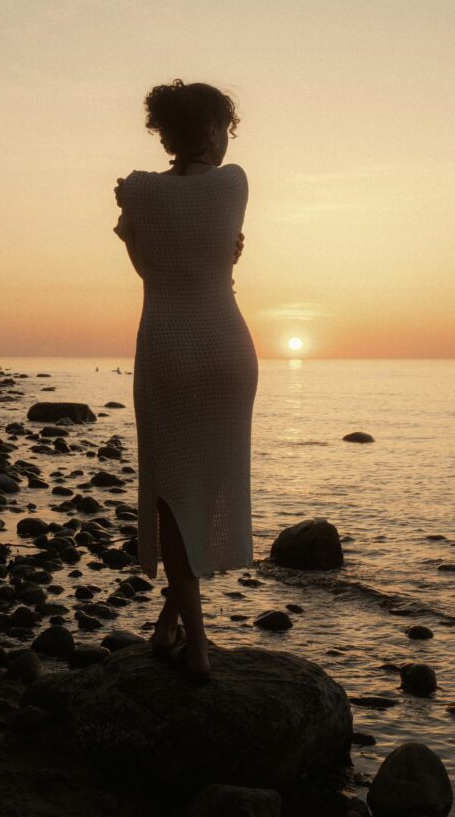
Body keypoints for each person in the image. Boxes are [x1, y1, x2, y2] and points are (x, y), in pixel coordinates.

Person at [113, 78, 258, 683]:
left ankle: (189, 640)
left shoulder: (137, 191)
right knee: (214, 483)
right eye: (222, 128)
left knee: (173, 495)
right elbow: (223, 255)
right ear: (204, 130)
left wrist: (130, 210)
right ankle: (172, 630)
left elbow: (146, 266)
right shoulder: (234, 184)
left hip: (168, 348)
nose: (226, 141)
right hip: (226, 346)